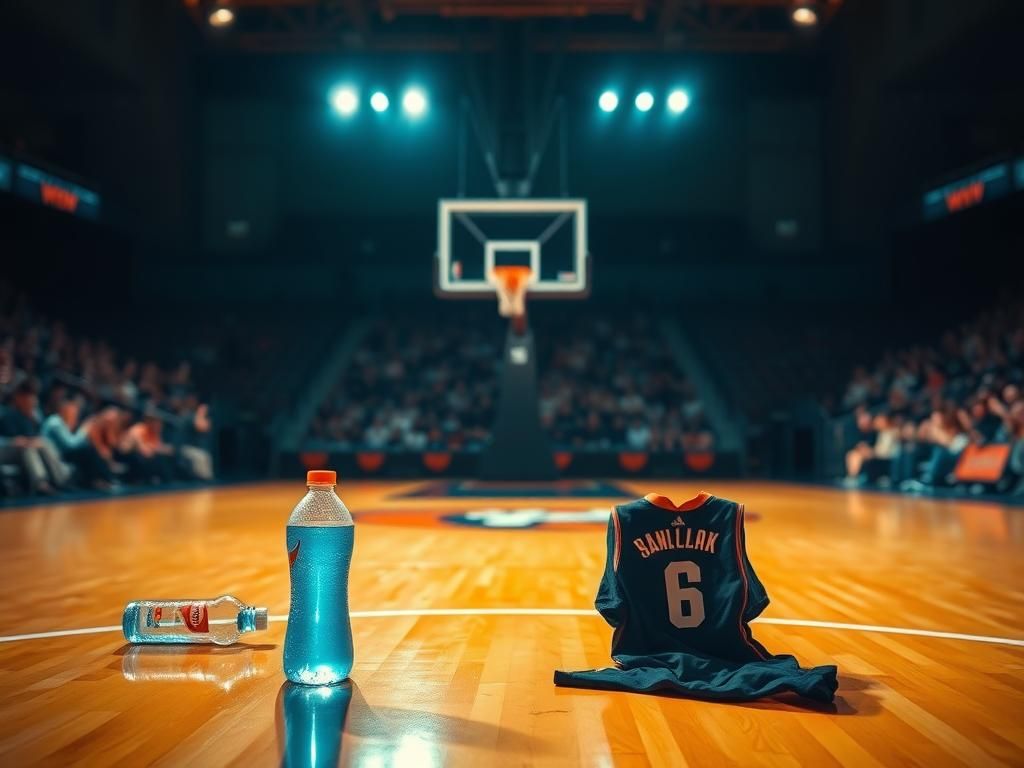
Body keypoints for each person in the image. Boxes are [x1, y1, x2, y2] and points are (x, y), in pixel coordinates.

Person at [0, 379, 70, 493]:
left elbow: (33, 437)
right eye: (29, 397)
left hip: (23, 446)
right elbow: (16, 440)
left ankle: (61, 480)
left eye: (33, 397)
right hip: (7, 448)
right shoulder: (9, 414)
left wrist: (36, 435)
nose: (33, 401)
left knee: (45, 443)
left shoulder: (31, 416)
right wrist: (26, 441)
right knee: (28, 448)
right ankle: (40, 483)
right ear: (19, 397)